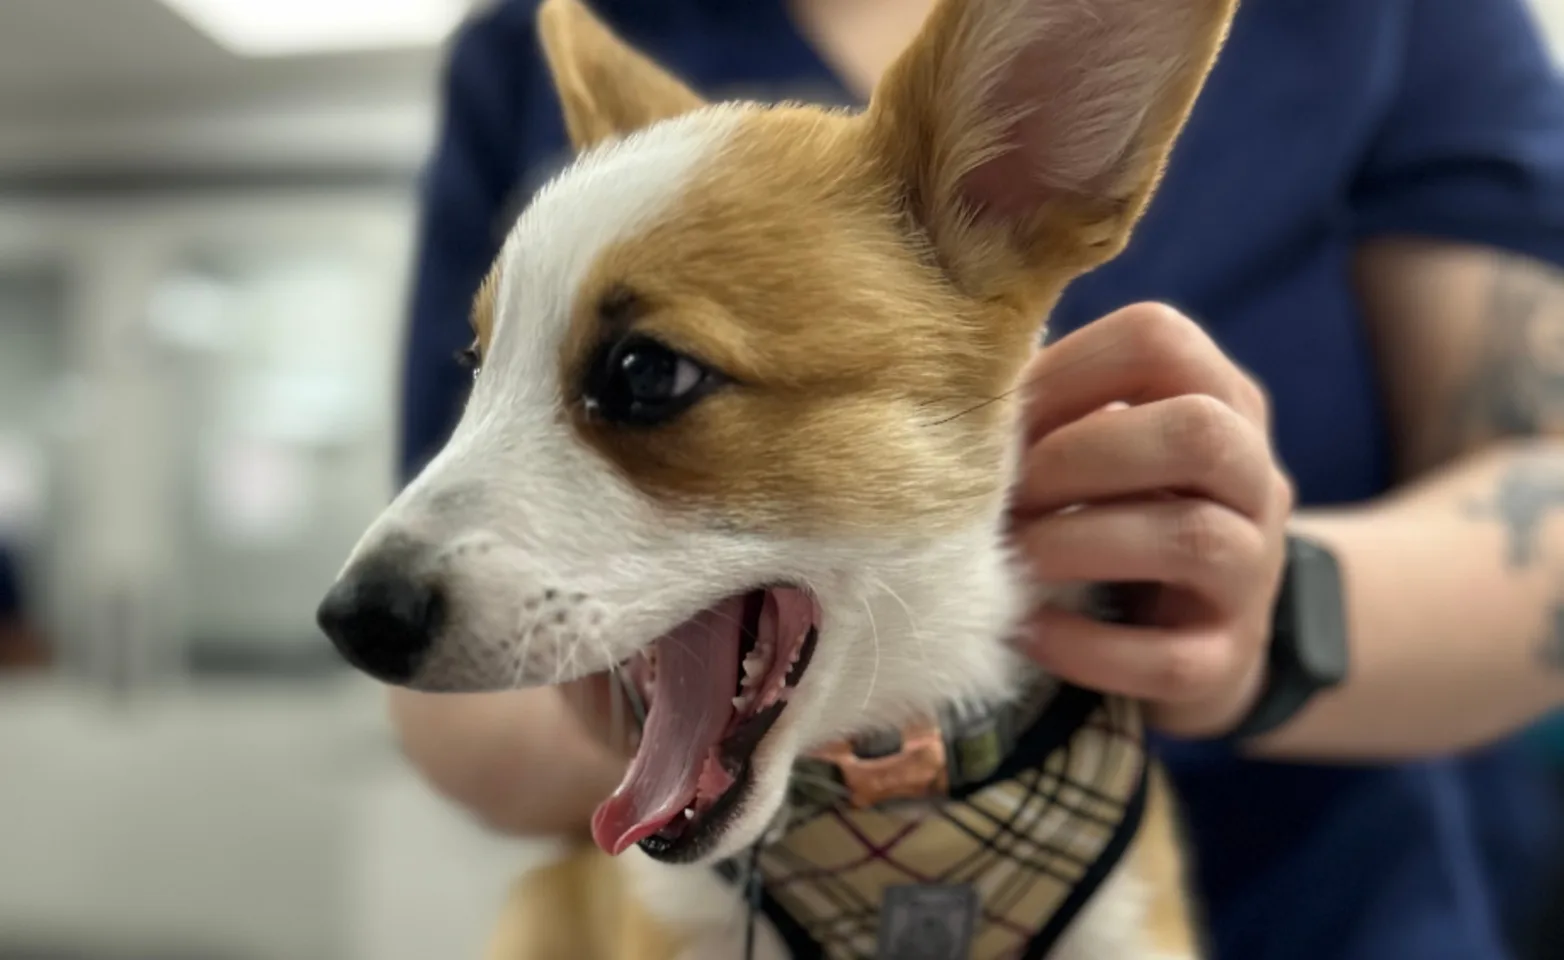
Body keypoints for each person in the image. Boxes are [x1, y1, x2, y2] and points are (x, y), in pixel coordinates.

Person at [389, 1, 1564, 957]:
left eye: (645, 376)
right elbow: (443, 703)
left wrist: (1266, 615)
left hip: (1329, 911)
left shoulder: (1393, 22)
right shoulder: (519, 57)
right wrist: (628, 679)